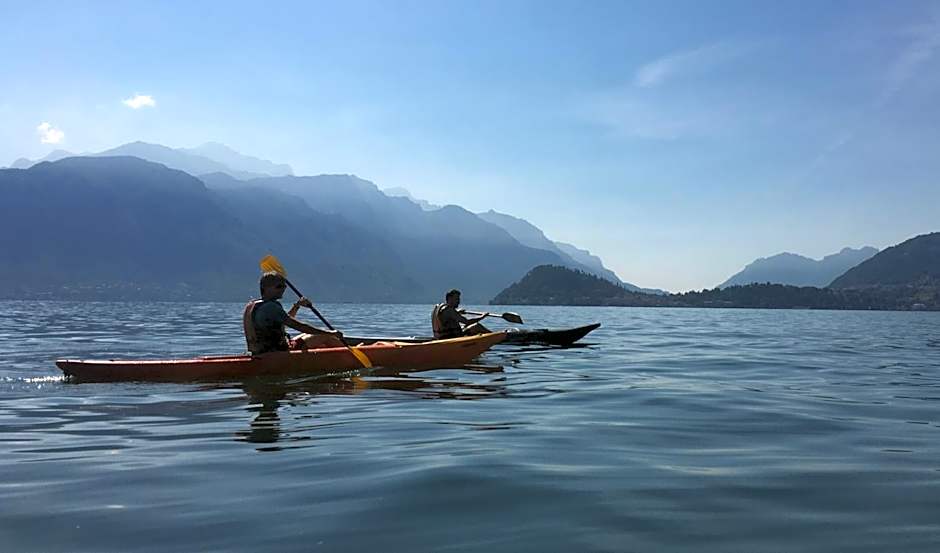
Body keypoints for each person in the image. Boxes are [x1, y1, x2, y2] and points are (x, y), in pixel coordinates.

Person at [243, 272, 344, 354]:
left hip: (259, 353)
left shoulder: (252, 305)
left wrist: (297, 306)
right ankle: (350, 355)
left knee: (309, 335)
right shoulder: (271, 307)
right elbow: (299, 326)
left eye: (284, 286)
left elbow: (284, 321)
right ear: (265, 288)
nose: (282, 289)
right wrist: (331, 333)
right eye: (279, 286)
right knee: (324, 336)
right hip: (277, 353)